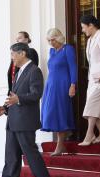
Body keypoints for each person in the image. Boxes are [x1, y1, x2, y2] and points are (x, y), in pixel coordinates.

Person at [0, 43, 52, 177]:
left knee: (30, 154)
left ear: (22, 53)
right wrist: (5, 108)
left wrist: (18, 99)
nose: (12, 58)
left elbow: (36, 94)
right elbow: (15, 97)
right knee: (11, 155)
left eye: (13, 54)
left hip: (25, 121)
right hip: (13, 120)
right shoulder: (18, 72)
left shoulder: (34, 71)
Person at [78, 15, 100, 146]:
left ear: (91, 25)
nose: (82, 30)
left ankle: (89, 134)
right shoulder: (90, 40)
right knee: (96, 106)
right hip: (92, 78)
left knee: (92, 105)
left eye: (83, 27)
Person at [41, 28, 77, 156]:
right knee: (50, 113)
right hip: (51, 85)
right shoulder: (52, 51)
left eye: (53, 40)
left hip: (62, 85)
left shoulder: (68, 49)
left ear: (59, 38)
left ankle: (59, 145)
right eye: (49, 40)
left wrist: (73, 85)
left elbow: (73, 68)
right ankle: (60, 145)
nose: (51, 43)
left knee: (60, 113)